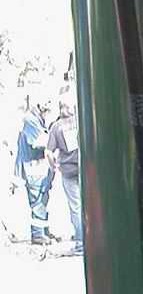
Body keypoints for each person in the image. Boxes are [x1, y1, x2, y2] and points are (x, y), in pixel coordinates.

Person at [14, 95, 54, 245]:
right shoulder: (30, 120)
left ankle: (44, 230)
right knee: (37, 199)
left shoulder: (36, 119)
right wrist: (54, 138)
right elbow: (39, 141)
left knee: (43, 198)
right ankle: (38, 234)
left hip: (38, 165)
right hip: (33, 166)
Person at [47, 91, 82, 254]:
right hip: (84, 169)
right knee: (89, 203)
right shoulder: (80, 121)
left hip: (68, 171)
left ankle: (80, 242)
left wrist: (53, 166)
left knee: (75, 206)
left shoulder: (56, 127)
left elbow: (48, 151)